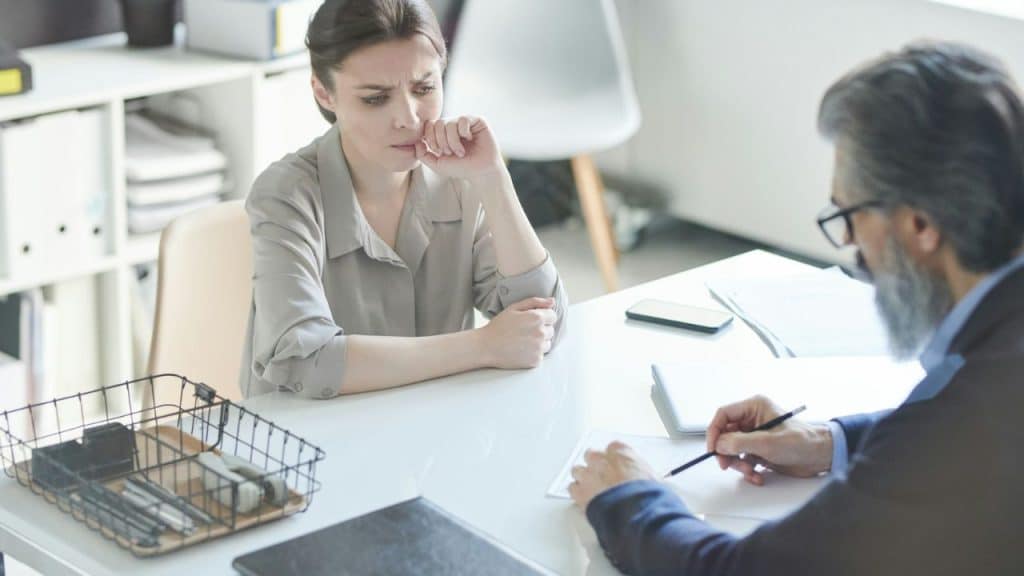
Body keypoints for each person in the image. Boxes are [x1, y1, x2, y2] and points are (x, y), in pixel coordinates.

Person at [569, 41, 1024, 575]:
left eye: (849, 215)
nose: (853, 248)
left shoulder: (968, 422)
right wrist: (826, 441)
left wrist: (631, 497)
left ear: (921, 225)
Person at [240, 0, 568, 399]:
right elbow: (306, 361)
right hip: (313, 447)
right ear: (324, 93)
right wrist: (483, 346)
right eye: (376, 98)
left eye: (424, 88)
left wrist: (493, 179)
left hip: (432, 433)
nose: (409, 118)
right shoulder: (285, 195)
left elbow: (544, 324)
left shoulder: (459, 179)